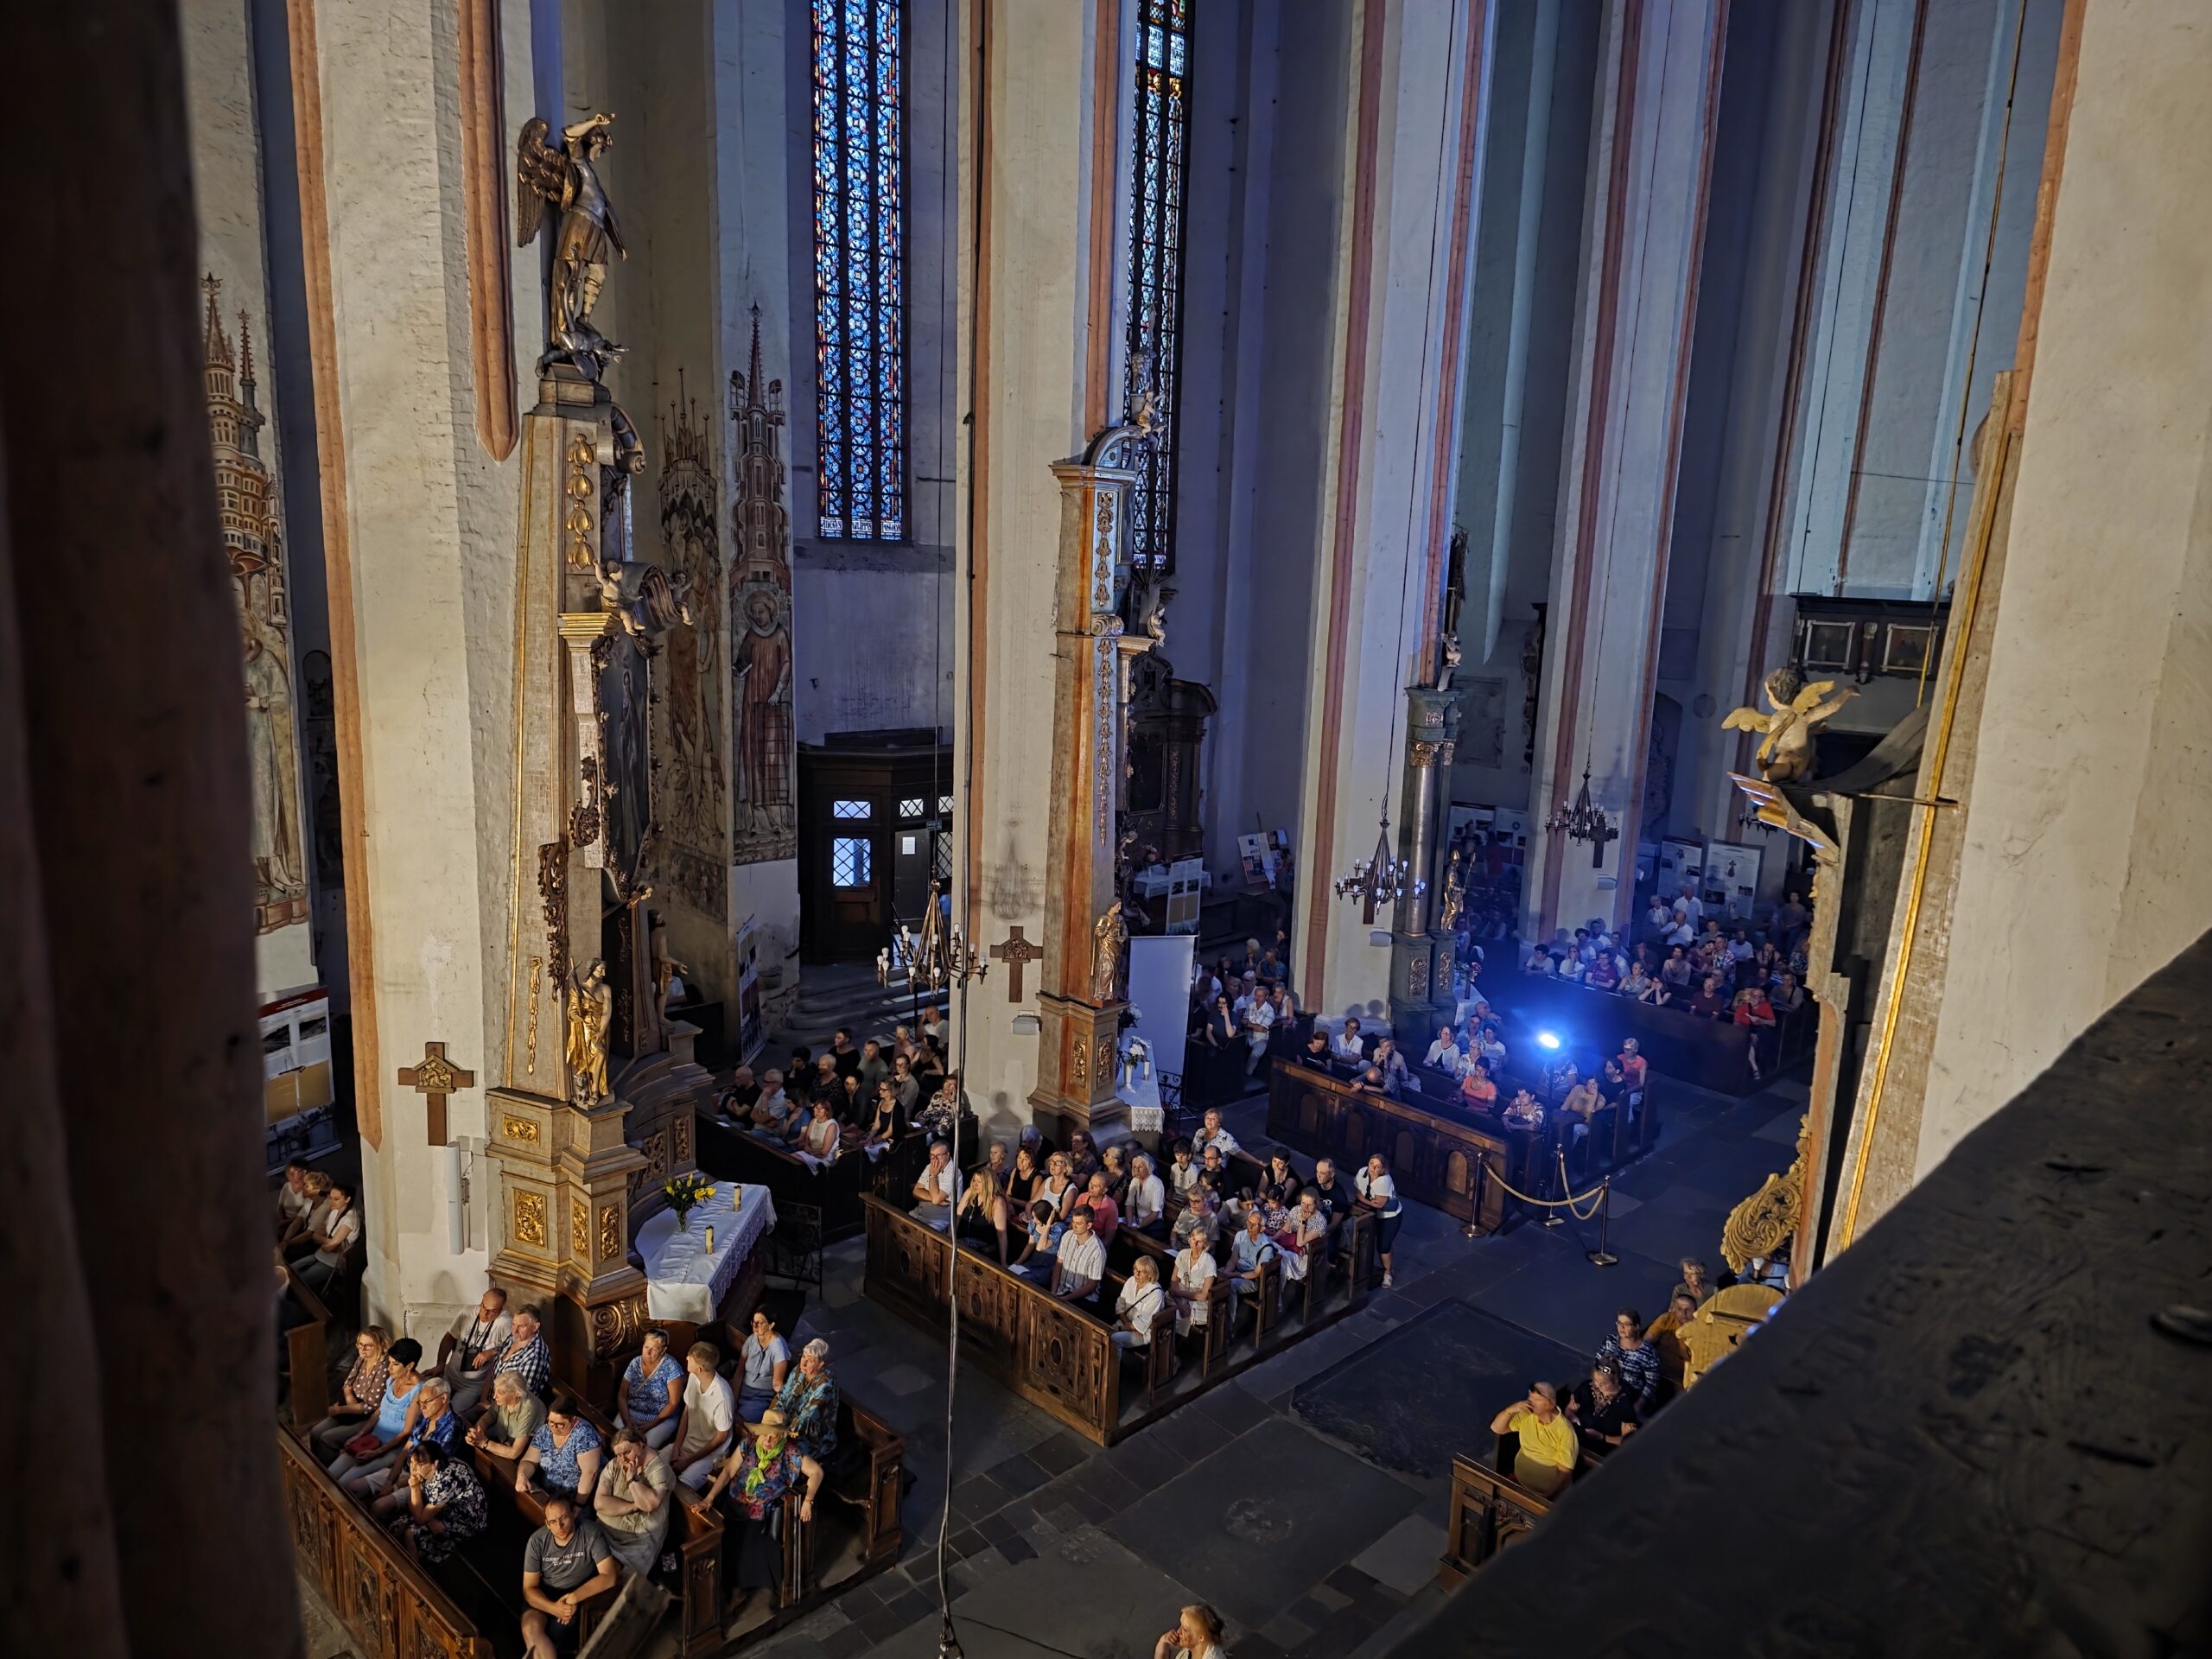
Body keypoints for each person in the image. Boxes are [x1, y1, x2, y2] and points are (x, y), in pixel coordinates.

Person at [690, 1407, 823, 1618]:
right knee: (713, 1534)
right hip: (733, 1504)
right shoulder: (749, 1443)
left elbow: (817, 1472)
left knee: (742, 1539)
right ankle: (719, 1586)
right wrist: (709, 1498)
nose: (768, 1440)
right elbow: (728, 1471)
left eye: (773, 1436)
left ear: (781, 1436)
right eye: (765, 1434)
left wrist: (808, 1500)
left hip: (761, 1513)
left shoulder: (790, 1452)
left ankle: (738, 1591)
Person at [520, 1493, 618, 1659]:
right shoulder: (537, 1541)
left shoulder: (591, 1533)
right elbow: (529, 1589)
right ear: (547, 1524)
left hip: (579, 1596)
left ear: (573, 1513)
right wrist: (554, 1608)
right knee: (530, 1628)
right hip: (546, 1597)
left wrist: (573, 1598)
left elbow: (609, 1576)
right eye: (553, 1522)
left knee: (558, 1631)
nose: (559, 1525)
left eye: (563, 1518)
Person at [327, 1338, 425, 1495]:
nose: (389, 1368)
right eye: (389, 1362)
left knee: (343, 1484)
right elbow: (380, 1410)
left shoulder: (418, 1391)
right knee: (329, 1475)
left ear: (410, 1365)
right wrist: (360, 1434)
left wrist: (376, 1452)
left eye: (395, 1364)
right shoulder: (392, 1379)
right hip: (372, 1439)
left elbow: (406, 1432)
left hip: (391, 1449)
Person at [365, 1376, 464, 1513]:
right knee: (355, 1487)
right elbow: (406, 1449)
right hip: (405, 1471)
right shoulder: (424, 1416)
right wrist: (390, 1481)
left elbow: (430, 1472)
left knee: (379, 1506)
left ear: (443, 1398)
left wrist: (395, 1487)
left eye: (427, 1402)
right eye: (420, 1402)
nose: (422, 1407)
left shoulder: (453, 1428)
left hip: (423, 1483)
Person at [592, 1427, 676, 1577]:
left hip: (638, 1541)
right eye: (618, 1455)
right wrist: (633, 1506)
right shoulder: (614, 1465)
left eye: (627, 1452)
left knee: (614, 1575)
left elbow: (649, 1505)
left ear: (640, 1444)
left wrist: (632, 1480)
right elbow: (599, 1503)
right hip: (605, 1531)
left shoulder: (659, 1469)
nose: (623, 1459)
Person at [308, 1325, 392, 1461]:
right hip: (351, 1409)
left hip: (367, 1417)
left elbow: (371, 1406)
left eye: (368, 1346)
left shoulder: (383, 1369)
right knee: (315, 1432)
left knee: (327, 1437)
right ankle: (315, 1464)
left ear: (380, 1346)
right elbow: (348, 1383)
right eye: (360, 1344)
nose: (362, 1349)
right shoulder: (361, 1359)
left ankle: (327, 1469)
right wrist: (349, 1399)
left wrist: (340, 1410)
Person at [397, 1440, 487, 1565]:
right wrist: (415, 1490)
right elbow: (416, 1506)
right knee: (399, 1524)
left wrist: (414, 1487)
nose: (413, 1469)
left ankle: (412, 1571)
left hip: (464, 1518)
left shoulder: (445, 1481)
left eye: (419, 1465)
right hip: (439, 1507)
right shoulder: (422, 1469)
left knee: (411, 1534)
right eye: (412, 1462)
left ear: (435, 1464)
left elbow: (419, 1519)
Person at [667, 1340, 736, 1491]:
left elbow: (721, 1437)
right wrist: (676, 1448)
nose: (686, 1358)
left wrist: (688, 1461)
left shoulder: (722, 1395)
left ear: (699, 1368)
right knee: (653, 1465)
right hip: (687, 1445)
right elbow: (687, 1412)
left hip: (710, 1456)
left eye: (690, 1358)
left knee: (682, 1486)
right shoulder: (693, 1377)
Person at [1489, 1381, 1577, 1497]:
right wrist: (1509, 1410)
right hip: (1519, 1482)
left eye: (1534, 1399)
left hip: (1544, 1494)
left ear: (1547, 1404)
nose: (1529, 1402)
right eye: (1529, 1397)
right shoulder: (1527, 1415)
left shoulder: (1565, 1431)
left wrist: (1545, 1497)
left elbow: (1564, 1472)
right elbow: (1496, 1428)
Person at [469, 1304, 551, 1420]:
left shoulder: (535, 1356)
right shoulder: (514, 1338)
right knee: (459, 1416)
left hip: (508, 1416)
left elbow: (519, 1398)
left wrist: (489, 1410)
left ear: (535, 1327)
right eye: (513, 1324)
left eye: (521, 1326)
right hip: (489, 1404)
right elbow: (494, 1369)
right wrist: (483, 1399)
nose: (515, 1330)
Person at [440, 1284, 513, 1411]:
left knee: (453, 1412)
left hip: (472, 1386)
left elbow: (512, 1348)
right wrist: (440, 1364)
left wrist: (491, 1352)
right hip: (450, 1375)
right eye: (483, 1306)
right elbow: (450, 1337)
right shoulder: (467, 1312)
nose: (485, 1313)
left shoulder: (504, 1322)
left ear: (501, 1309)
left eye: (491, 1311)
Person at [767, 1338, 840, 1464]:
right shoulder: (798, 1371)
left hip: (811, 1437)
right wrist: (772, 1420)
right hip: (786, 1425)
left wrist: (781, 1433)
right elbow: (782, 1397)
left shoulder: (826, 1384)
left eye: (810, 1361)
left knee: (782, 1455)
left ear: (821, 1364)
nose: (804, 1363)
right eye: (804, 1356)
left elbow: (806, 1417)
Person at [516, 1401, 605, 1501]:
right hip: (548, 1493)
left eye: (560, 1424)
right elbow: (529, 1461)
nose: (554, 1428)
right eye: (551, 1422)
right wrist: (522, 1476)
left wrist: (578, 1504)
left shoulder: (585, 1435)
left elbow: (590, 1474)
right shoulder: (545, 1431)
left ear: (573, 1420)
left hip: (575, 1498)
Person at [615, 1326, 685, 1448]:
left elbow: (673, 1403)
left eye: (654, 1349)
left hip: (660, 1419)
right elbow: (622, 1395)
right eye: (646, 1347)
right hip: (631, 1414)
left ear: (663, 1350)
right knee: (617, 1439)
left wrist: (648, 1427)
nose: (648, 1352)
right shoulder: (635, 1363)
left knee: (647, 1446)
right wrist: (627, 1422)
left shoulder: (672, 1367)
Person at [466, 1370, 547, 1471]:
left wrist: (484, 1443)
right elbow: (486, 1419)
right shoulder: (501, 1400)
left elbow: (514, 1453)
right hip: (502, 1440)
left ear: (515, 1394)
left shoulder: (529, 1408)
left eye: (500, 1393)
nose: (495, 1396)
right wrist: (476, 1433)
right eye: (495, 1391)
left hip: (521, 1458)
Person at [295, 1179, 360, 1294]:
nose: (332, 1202)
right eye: (330, 1198)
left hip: (331, 1263)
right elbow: (319, 1231)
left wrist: (324, 1240)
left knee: (299, 1281)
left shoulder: (349, 1220)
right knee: (291, 1269)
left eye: (336, 1199)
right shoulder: (335, 1210)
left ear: (347, 1199)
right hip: (319, 1255)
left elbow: (328, 1247)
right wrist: (329, 1241)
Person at [1567, 1362, 1640, 1457]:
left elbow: (1628, 1441)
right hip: (1574, 1441)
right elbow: (1569, 1408)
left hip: (1599, 1453)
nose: (1598, 1385)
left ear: (1615, 1380)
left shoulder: (1624, 1402)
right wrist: (1571, 1415)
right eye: (1596, 1380)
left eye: (1604, 1383)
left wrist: (1602, 1437)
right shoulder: (1586, 1387)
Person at [1595, 1308, 1662, 1412]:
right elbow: (1598, 1363)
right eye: (1620, 1323)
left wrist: (1639, 1405)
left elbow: (1651, 1384)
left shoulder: (1648, 1353)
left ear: (1637, 1327)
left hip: (1629, 1394)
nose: (1622, 1327)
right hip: (1605, 1386)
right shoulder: (1610, 1341)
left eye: (1627, 1324)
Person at [736, 1308, 792, 1422]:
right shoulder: (751, 1340)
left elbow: (777, 1384)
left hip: (759, 1399)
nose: (755, 1326)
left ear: (771, 1325)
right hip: (742, 1390)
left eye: (760, 1323)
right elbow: (739, 1373)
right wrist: (733, 1396)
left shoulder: (778, 1349)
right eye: (754, 1322)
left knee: (739, 1420)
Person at [1224, 1209, 1278, 1327]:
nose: (1249, 1226)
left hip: (1251, 1279)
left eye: (1254, 1224)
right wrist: (1227, 1272)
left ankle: (1229, 1324)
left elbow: (1256, 1273)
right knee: (1215, 1277)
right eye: (1249, 1222)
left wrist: (1232, 1275)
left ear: (1262, 1229)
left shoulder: (1266, 1247)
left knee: (1230, 1285)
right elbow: (1233, 1259)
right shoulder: (1240, 1235)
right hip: (1236, 1271)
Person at [1357, 1153, 1402, 1289]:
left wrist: (1364, 1199)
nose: (1373, 1168)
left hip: (1389, 1217)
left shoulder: (1384, 1181)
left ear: (1383, 1169)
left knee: (1383, 1246)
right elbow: (1357, 1193)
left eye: (1377, 1166)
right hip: (1372, 1213)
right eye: (1371, 1164)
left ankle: (1387, 1273)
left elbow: (1379, 1204)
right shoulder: (1362, 1172)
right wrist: (1367, 1201)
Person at [1048, 1207, 1108, 1304]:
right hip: (1062, 1289)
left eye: (1079, 1224)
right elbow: (1059, 1264)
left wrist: (1067, 1298)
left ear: (1089, 1225)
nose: (1074, 1226)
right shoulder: (1067, 1236)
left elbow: (1092, 1285)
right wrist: (1053, 1291)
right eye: (1073, 1222)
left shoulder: (1097, 1250)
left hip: (1083, 1298)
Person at [1644, 1290, 1700, 1388]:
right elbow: (1646, 1344)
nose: (1684, 1313)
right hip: (1659, 1369)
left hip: (1682, 1378)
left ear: (1696, 1310)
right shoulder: (1666, 1320)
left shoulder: (1701, 1328)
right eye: (1680, 1309)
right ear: (1674, 1310)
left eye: (1688, 1309)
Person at [956, 1166, 1012, 1264]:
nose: (975, 1184)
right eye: (974, 1180)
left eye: (979, 1181)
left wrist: (1003, 1262)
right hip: (964, 1240)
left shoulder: (997, 1202)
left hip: (984, 1245)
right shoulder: (970, 1193)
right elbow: (958, 1215)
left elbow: (1001, 1233)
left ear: (988, 1183)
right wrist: (949, 1236)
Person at [1169, 1225, 1217, 1338]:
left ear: (1205, 1245)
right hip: (1179, 1297)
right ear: (1189, 1239)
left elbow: (1203, 1295)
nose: (1195, 1244)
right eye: (1194, 1239)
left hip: (1197, 1301)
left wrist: (1179, 1293)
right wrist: (1180, 1303)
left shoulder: (1209, 1262)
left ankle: (1177, 1343)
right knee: (1162, 1309)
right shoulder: (1182, 1254)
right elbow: (1173, 1282)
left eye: (1199, 1242)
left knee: (1175, 1317)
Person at [1113, 1255, 1167, 1353]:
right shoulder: (1131, 1281)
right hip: (1125, 1323)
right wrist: (1126, 1325)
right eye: (1135, 1269)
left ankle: (1115, 1363)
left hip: (1142, 1334)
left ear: (1150, 1275)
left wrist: (1120, 1328)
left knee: (1114, 1338)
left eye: (1142, 1272)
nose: (1137, 1274)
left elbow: (1142, 1324)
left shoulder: (1156, 1293)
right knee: (1102, 1334)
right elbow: (1120, 1306)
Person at [1154, 1603, 1228, 1659]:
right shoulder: (1190, 1648)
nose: (1178, 1631)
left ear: (1201, 1638)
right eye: (1181, 1625)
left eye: (1185, 1630)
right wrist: (1163, 1642)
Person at [910, 1139, 957, 1229]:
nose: (935, 1160)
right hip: (918, 1214)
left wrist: (933, 1175)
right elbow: (916, 1192)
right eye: (932, 1156)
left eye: (938, 1156)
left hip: (937, 1222)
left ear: (947, 1155)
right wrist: (934, 1199)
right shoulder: (930, 1167)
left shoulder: (953, 1173)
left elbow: (936, 1199)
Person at [1072, 1171, 1121, 1246]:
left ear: (1104, 1190)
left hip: (1097, 1242)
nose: (1091, 1187)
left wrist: (1092, 1248)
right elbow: (1073, 1223)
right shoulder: (1082, 1197)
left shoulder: (1111, 1207)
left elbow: (1108, 1239)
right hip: (1078, 1236)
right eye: (1091, 1183)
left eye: (1096, 1186)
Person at [1126, 1152, 1167, 1236]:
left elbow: (1154, 1214)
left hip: (1152, 1223)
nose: (1137, 1170)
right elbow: (1129, 1205)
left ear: (1149, 1168)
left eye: (1140, 1167)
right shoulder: (1135, 1181)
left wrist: (1139, 1226)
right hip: (1136, 1220)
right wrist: (1129, 1225)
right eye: (1135, 1167)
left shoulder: (1156, 1184)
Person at [1169, 1186, 1219, 1253]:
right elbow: (1174, 1231)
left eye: (1196, 1201)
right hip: (1177, 1250)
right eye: (1191, 1200)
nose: (1193, 1204)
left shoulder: (1211, 1218)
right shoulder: (1186, 1210)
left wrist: (1199, 1251)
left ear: (1204, 1200)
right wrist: (1173, 1246)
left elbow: (1213, 1243)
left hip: (1196, 1253)